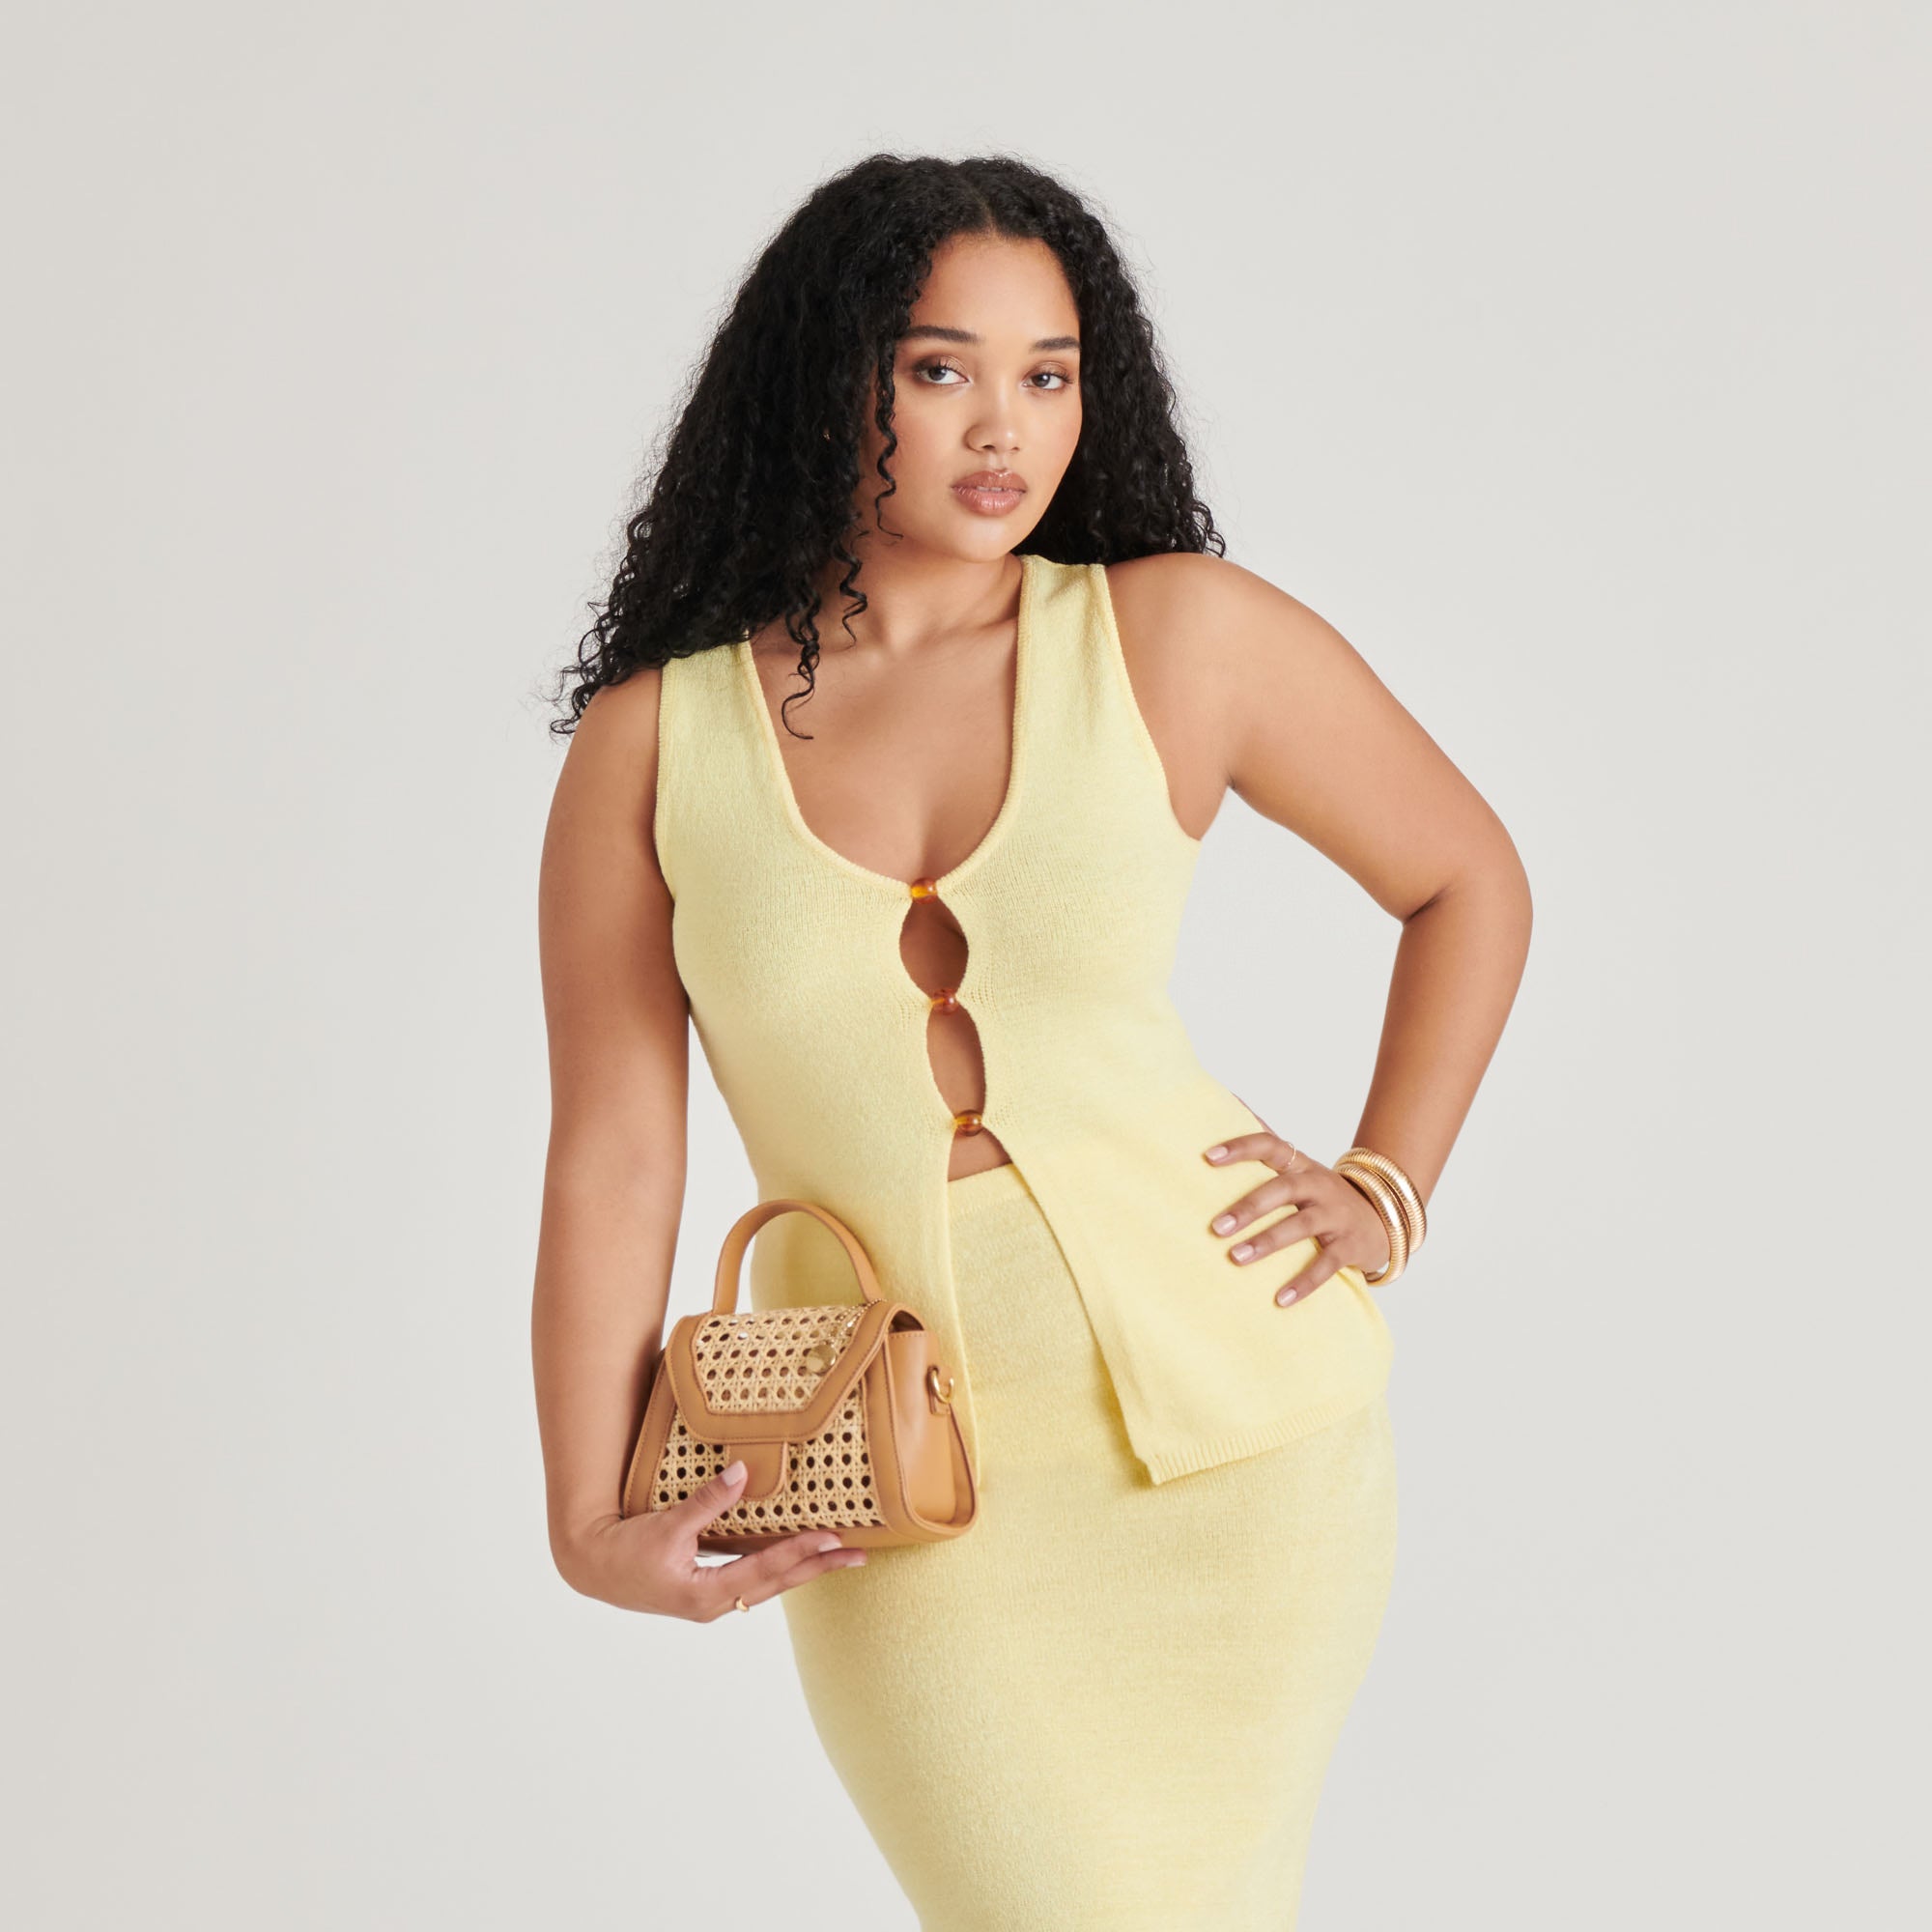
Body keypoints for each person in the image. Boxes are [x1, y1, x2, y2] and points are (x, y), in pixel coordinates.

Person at [532, 152, 1532, 1929]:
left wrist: (1385, 1187)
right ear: (826, 382)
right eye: (941, 369)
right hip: (896, 1490)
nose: (1005, 425)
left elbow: (1467, 880)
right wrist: (585, 1510)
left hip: (1241, 1445)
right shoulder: (653, 744)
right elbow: (616, 1146)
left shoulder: (1178, 636)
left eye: (1049, 373)